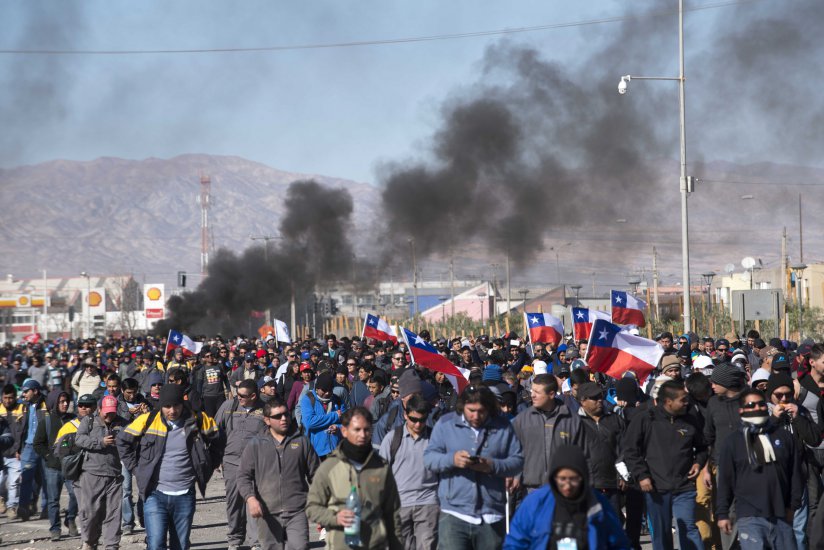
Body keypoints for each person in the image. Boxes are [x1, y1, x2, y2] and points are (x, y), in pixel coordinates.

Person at [116, 384, 222, 550]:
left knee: (179, 545)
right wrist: (136, 469)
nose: (172, 411)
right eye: (167, 406)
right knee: (156, 543)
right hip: (154, 495)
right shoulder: (149, 420)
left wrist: (208, 465)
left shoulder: (198, 419)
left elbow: (218, 441)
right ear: (161, 406)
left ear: (183, 403)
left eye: (176, 405)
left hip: (185, 494)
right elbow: (122, 440)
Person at [424, 385, 524, 550]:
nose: (476, 415)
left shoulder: (503, 427)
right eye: (471, 410)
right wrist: (452, 459)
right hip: (454, 513)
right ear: (462, 406)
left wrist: (492, 466)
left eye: (481, 411)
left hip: (491, 514)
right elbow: (429, 459)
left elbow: (518, 461)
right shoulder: (446, 424)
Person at [623, 380, 707, 550]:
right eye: (682, 400)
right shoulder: (645, 419)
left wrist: (698, 463)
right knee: (662, 534)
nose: (687, 402)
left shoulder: (690, 420)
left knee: (688, 527)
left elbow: (703, 447)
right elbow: (630, 451)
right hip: (656, 488)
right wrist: (642, 475)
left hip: (684, 487)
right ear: (669, 401)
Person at [716, 388, 803, 550]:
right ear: (741, 410)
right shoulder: (733, 442)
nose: (757, 408)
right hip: (749, 515)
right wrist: (722, 514)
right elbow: (725, 480)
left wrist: (793, 504)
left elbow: (795, 473)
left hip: (781, 513)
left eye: (761, 404)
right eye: (751, 405)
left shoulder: (783, 436)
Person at [306, 407, 403, 549]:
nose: (362, 435)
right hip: (341, 545)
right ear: (344, 431)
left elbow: (393, 514)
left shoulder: (381, 467)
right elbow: (312, 507)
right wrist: (335, 518)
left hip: (374, 544)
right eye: (357, 430)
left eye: (367, 430)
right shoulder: (330, 467)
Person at [504, 444, 630, 549]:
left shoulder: (598, 504)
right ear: (554, 478)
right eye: (562, 479)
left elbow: (619, 544)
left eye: (573, 479)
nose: (568, 485)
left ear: (583, 477)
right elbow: (515, 543)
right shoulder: (536, 503)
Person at [237, 397, 320, 550]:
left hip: (297, 511)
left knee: (299, 547)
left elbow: (316, 475)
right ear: (267, 420)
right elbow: (243, 476)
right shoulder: (255, 444)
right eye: (277, 416)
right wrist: (251, 499)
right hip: (267, 513)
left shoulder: (302, 442)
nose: (283, 419)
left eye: (286, 414)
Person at [378, 394, 439, 550]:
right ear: (405, 415)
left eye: (422, 420)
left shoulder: (435, 438)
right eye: (414, 419)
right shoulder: (392, 439)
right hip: (399, 504)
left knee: (427, 546)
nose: (418, 424)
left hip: (428, 502)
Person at [215, 379, 268, 550]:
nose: (239, 398)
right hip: (231, 462)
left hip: (256, 465)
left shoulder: (266, 409)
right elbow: (214, 431)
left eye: (242, 396)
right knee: (233, 502)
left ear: (253, 395)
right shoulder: (228, 406)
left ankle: (256, 542)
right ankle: (234, 539)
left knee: (254, 501)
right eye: (237, 394)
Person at [512, 374, 584, 493]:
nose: (532, 395)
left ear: (551, 394)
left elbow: (582, 453)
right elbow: (514, 452)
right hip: (532, 488)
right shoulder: (523, 419)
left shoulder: (571, 419)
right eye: (532, 391)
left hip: (564, 489)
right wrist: (515, 475)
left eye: (537, 392)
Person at [702, 362, 747, 549]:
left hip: (748, 465)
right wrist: (706, 469)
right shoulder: (713, 403)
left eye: (715, 381)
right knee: (725, 509)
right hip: (721, 465)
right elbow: (708, 438)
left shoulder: (749, 400)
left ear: (727, 382)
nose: (712, 385)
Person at [75, 394, 128, 550]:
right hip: (92, 474)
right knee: (90, 513)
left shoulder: (122, 423)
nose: (109, 415)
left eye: (112, 412)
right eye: (106, 412)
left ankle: (111, 546)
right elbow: (79, 439)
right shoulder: (89, 421)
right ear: (99, 409)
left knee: (114, 514)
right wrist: (100, 442)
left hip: (114, 476)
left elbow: (132, 440)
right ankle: (90, 541)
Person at [32, 389, 78, 541]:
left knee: (76, 495)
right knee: (53, 499)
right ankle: (55, 528)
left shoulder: (74, 419)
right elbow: (38, 444)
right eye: (61, 402)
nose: (65, 404)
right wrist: (48, 456)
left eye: (66, 401)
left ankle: (70, 519)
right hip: (52, 467)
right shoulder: (46, 422)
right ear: (54, 403)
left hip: (71, 466)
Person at [18, 378, 47, 521]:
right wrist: (18, 448)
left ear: (35, 391)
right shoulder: (23, 406)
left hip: (44, 446)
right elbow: (20, 429)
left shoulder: (47, 404)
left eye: (26, 391)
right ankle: (24, 507)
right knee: (26, 477)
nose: (24, 394)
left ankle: (46, 508)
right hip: (29, 446)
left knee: (45, 478)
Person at [299, 371, 345, 459]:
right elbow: (309, 422)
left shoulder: (338, 400)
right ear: (317, 388)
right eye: (324, 390)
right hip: (315, 451)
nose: (327, 393)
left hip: (336, 450)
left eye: (330, 390)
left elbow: (346, 422)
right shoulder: (308, 399)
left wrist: (338, 427)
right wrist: (334, 416)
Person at [0, 383, 25, 518]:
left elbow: (23, 431)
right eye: (5, 397)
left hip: (15, 452)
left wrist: (19, 449)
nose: (8, 400)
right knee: (1, 481)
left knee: (14, 481)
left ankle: (12, 507)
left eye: (10, 398)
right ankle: (1, 499)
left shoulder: (21, 409)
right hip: (0, 453)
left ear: (15, 397)